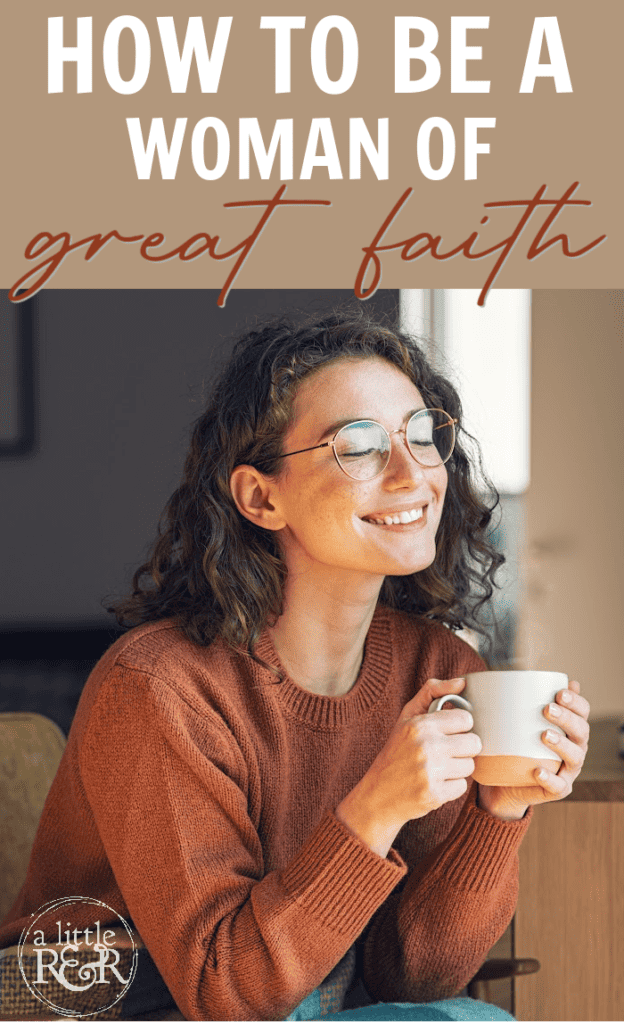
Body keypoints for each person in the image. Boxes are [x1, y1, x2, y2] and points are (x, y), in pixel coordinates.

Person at [0, 308, 590, 1023]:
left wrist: (500, 810)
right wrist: (375, 808)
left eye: (422, 435)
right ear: (261, 496)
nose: (412, 473)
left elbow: (414, 980)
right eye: (360, 446)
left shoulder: (438, 668)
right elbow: (226, 994)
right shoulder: (160, 688)